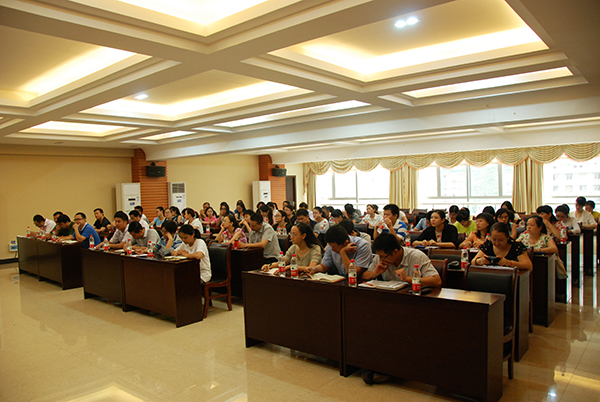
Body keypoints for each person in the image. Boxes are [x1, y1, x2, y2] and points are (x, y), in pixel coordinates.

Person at [362, 232, 441, 286]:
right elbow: (364, 276)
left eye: (383, 257)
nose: (381, 259)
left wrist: (407, 279)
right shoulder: (380, 257)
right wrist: (375, 273)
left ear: (395, 252)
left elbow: (437, 281)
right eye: (379, 256)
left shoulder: (417, 256)